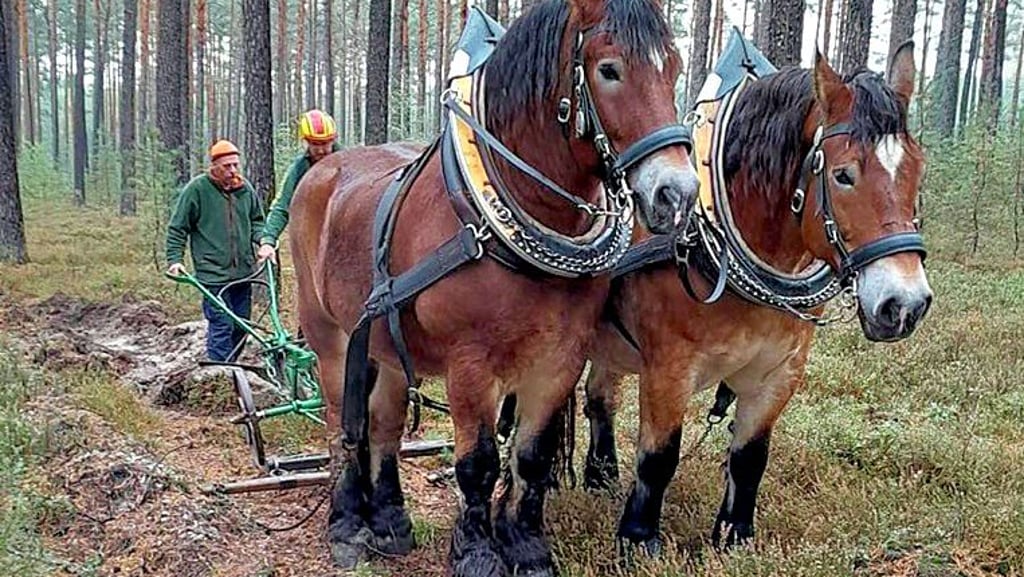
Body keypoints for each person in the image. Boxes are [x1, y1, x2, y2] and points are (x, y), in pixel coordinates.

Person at [166, 139, 265, 362]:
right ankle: (219, 374)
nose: (232, 171)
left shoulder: (245, 189)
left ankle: (231, 368)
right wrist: (175, 260)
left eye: (235, 165)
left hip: (243, 273)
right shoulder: (197, 190)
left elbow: (257, 221)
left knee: (241, 326)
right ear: (214, 167)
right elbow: (178, 228)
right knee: (222, 325)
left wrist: (263, 242)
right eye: (226, 166)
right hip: (213, 275)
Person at [257, 109, 341, 263]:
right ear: (306, 142)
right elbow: (282, 206)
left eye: (325, 143)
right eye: (315, 144)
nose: (322, 150)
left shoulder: (347, 162)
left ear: (334, 139)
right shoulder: (299, 169)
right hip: (315, 238)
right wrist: (268, 240)